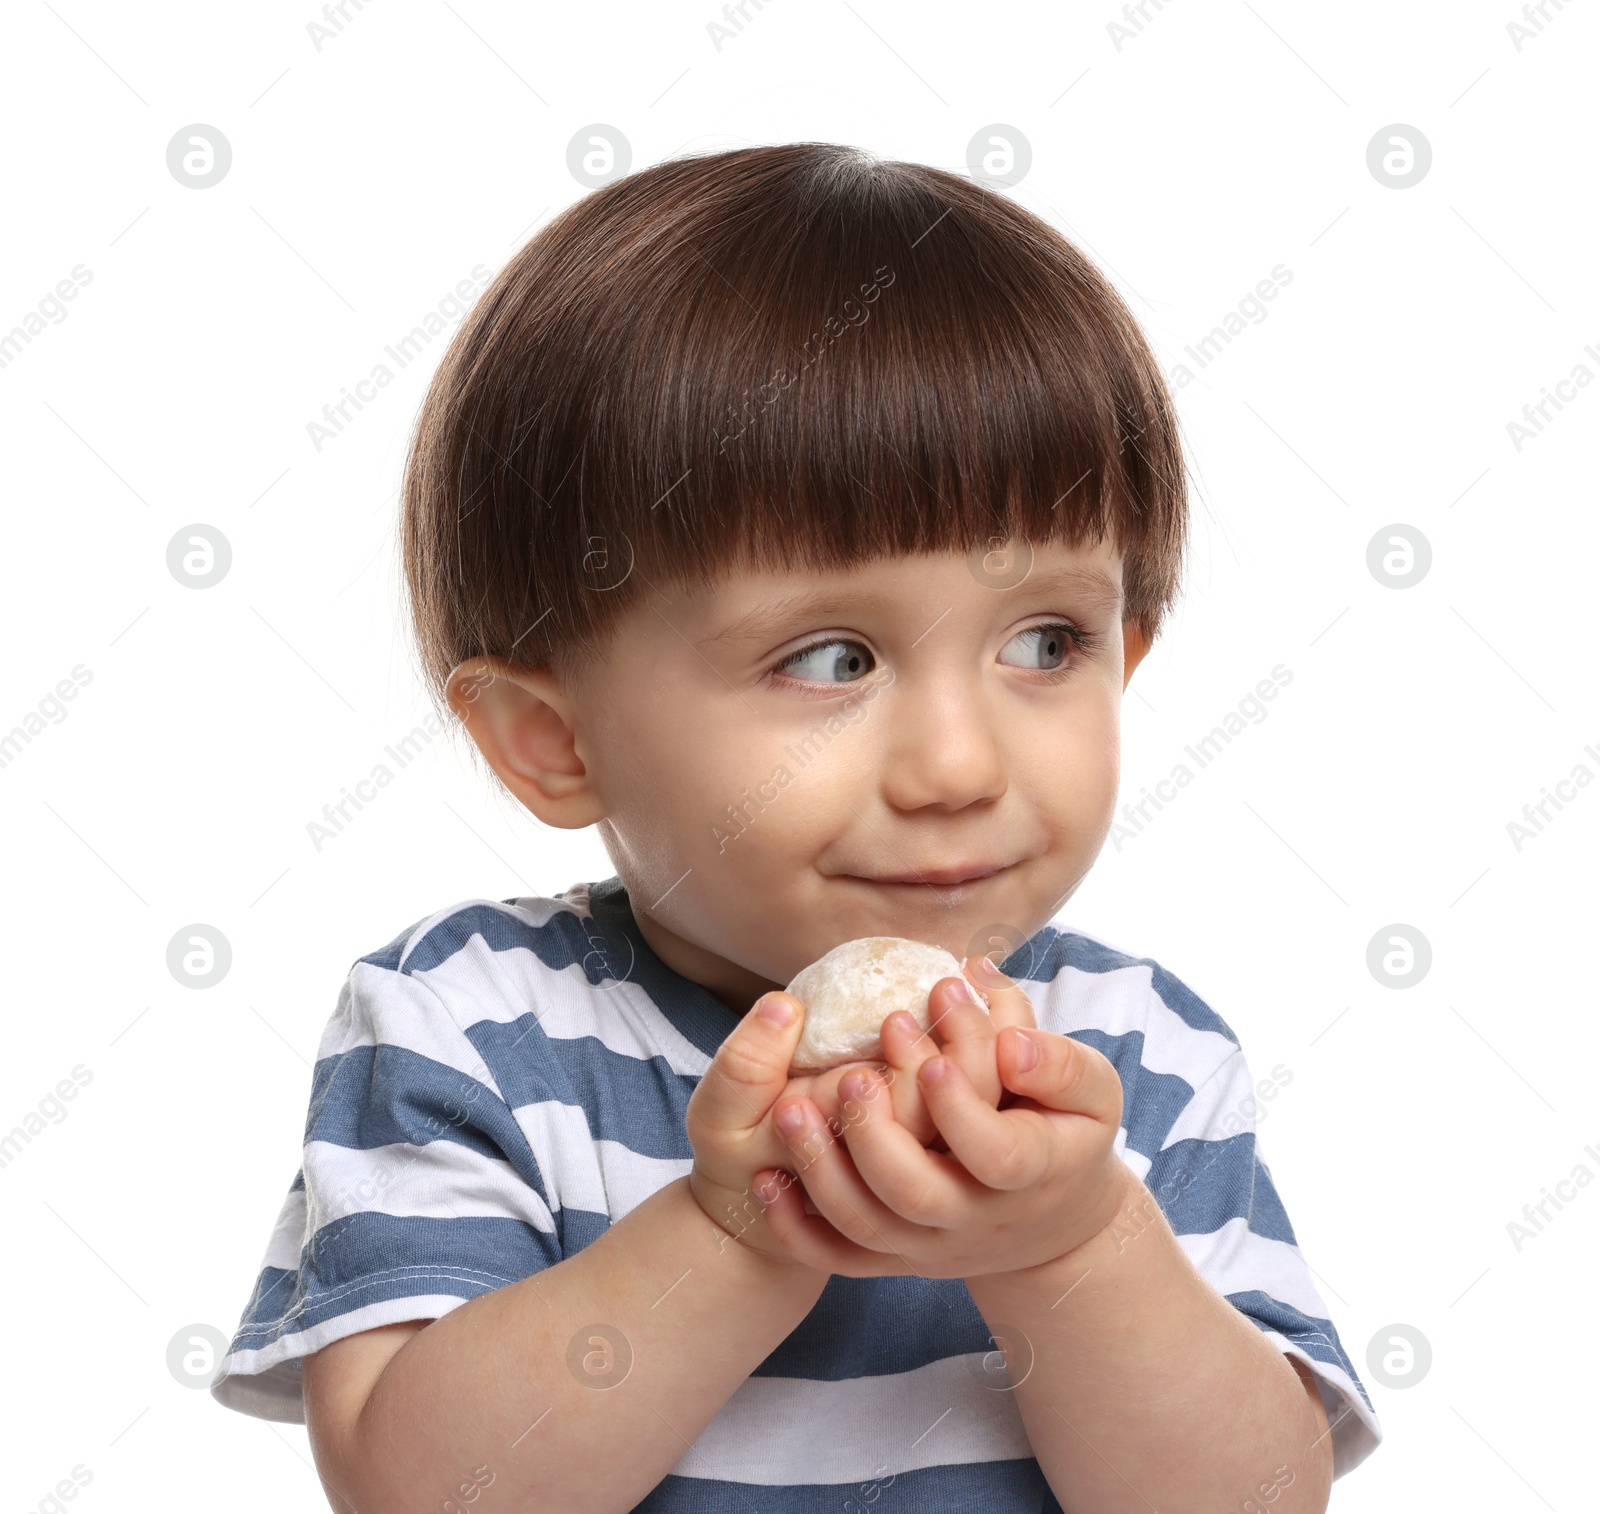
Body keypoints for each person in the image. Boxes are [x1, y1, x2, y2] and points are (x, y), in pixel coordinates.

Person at [211, 141, 1381, 1511]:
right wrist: (738, 1227)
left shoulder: (1134, 1055)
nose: (957, 762)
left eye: (1047, 640)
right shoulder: (466, 1025)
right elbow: (425, 1486)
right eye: (831, 659)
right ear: (556, 740)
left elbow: (1257, 1496)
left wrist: (1070, 1246)